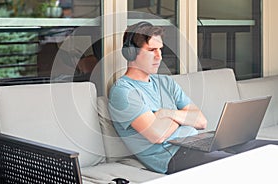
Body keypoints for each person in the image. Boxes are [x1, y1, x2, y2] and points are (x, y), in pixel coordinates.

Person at [108, 21, 278, 174]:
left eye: (160, 49)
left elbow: (201, 121)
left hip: (197, 142)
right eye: (152, 50)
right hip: (174, 156)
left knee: (271, 149)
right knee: (242, 165)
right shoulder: (123, 91)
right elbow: (157, 135)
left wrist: (166, 113)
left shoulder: (166, 82)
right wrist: (183, 116)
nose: (159, 57)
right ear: (131, 53)